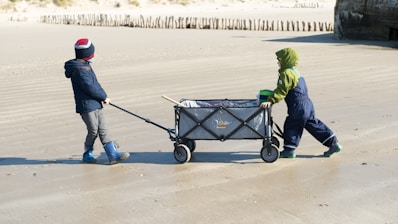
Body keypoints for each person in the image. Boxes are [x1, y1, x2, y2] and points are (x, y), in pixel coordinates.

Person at [260, 48, 342, 158]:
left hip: (298, 106)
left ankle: (289, 150)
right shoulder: (295, 71)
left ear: (286, 60)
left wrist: (270, 100)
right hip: (308, 105)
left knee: (291, 125)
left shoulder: (286, 74)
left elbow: (282, 90)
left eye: (279, 59)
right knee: (314, 125)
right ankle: (334, 144)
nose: (278, 62)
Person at [64, 38, 130, 165]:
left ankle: (112, 154)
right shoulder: (79, 70)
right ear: (86, 54)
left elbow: (96, 84)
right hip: (86, 106)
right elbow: (89, 87)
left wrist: (104, 96)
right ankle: (87, 153)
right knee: (93, 130)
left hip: (96, 103)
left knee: (103, 129)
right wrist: (103, 97)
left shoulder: (86, 66)